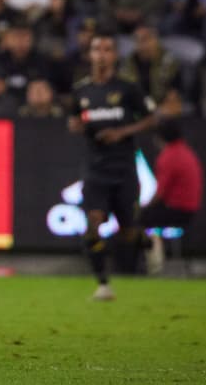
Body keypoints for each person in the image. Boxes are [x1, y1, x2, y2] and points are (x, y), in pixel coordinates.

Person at [67, 34, 160, 301]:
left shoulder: (129, 89)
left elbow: (151, 119)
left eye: (108, 49)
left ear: (115, 55)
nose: (102, 54)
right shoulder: (81, 91)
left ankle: (145, 240)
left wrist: (122, 132)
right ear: (90, 55)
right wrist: (75, 127)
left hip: (125, 168)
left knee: (128, 233)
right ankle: (103, 284)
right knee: (93, 224)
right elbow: (75, 121)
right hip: (95, 169)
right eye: (97, 49)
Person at [141, 120, 204, 275]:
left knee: (139, 220)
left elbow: (160, 193)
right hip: (189, 210)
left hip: (176, 210)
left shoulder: (168, 156)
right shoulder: (186, 152)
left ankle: (153, 266)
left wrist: (145, 207)